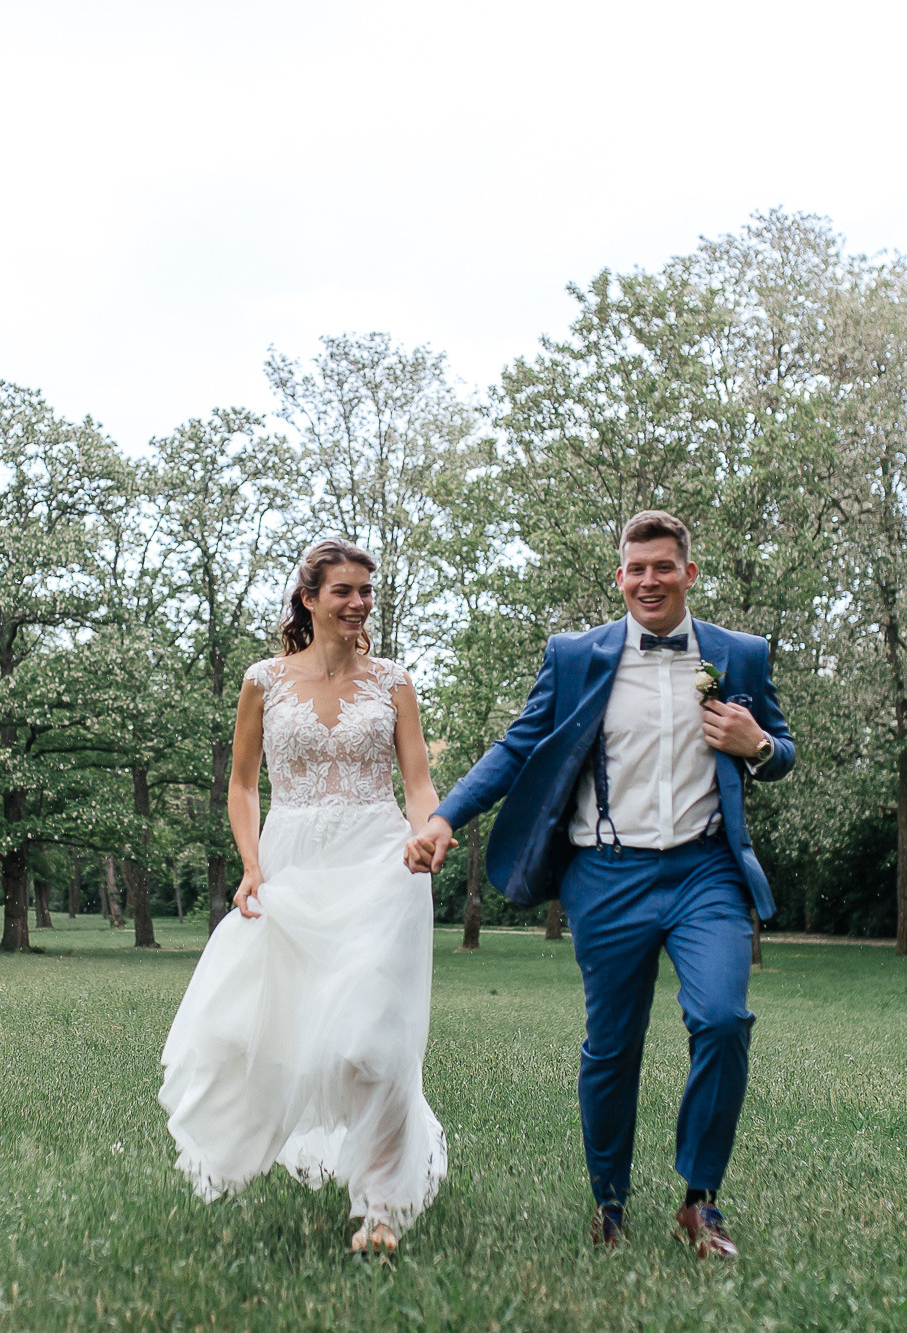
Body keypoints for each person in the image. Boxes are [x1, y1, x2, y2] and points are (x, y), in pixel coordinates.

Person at [405, 510, 794, 1259]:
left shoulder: (739, 655)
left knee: (721, 1019)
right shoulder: (576, 655)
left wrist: (761, 744)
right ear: (619, 576)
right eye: (634, 568)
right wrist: (447, 816)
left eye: (663, 566)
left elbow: (781, 751)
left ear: (689, 572)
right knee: (612, 1046)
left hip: (705, 870)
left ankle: (699, 1200)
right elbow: (519, 743)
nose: (648, 580)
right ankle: (608, 1202)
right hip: (607, 874)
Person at [158, 538, 447, 1256]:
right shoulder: (263, 680)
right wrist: (252, 865)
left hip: (383, 866)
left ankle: (381, 1206)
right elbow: (244, 784)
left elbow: (415, 782)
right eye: (344, 590)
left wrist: (428, 833)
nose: (358, 604)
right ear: (309, 597)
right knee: (275, 1033)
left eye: (366, 592)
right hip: (290, 865)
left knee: (372, 1042)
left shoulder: (394, 682)